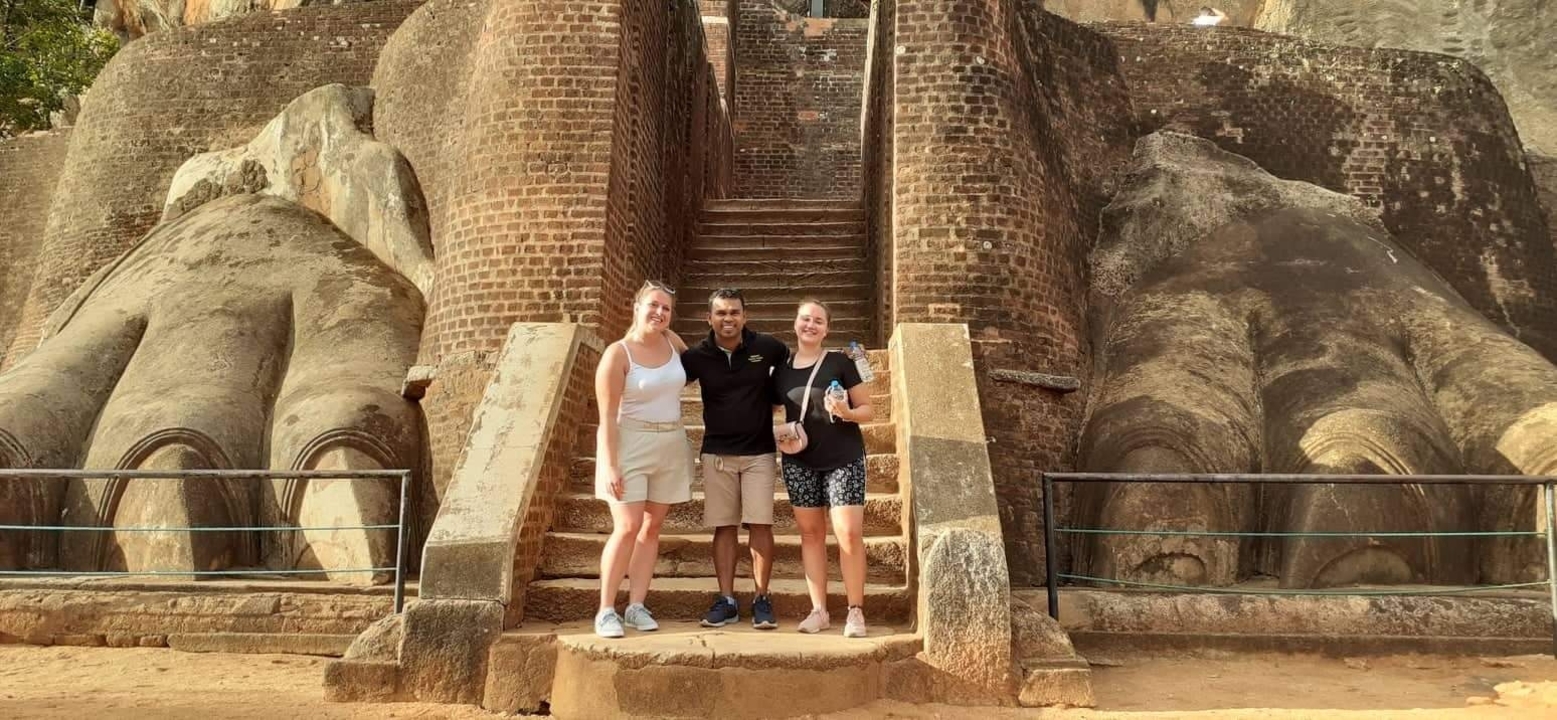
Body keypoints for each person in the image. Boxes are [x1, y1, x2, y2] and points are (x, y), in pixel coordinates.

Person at [681, 289, 791, 629]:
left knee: (760, 524)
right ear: (708, 317)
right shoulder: (697, 356)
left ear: (745, 316)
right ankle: (727, 599)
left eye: (734, 313)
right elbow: (669, 376)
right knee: (724, 526)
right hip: (717, 453)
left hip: (759, 452)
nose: (727, 319)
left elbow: (789, 371)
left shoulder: (767, 347)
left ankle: (761, 597)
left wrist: (777, 404)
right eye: (721, 313)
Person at [593, 280, 693, 638]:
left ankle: (636, 605)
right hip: (629, 441)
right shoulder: (618, 354)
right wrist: (611, 464)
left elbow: (703, 367)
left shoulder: (673, 343)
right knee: (627, 526)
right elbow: (606, 417)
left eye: (665, 308)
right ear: (636, 307)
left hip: (669, 442)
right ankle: (606, 609)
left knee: (651, 529)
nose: (659, 313)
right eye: (653, 305)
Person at [772, 299, 874, 637]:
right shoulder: (782, 369)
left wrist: (846, 412)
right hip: (799, 460)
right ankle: (819, 610)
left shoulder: (840, 363)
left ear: (827, 328)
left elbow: (868, 410)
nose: (810, 325)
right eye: (805, 319)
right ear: (795, 324)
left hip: (843, 457)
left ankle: (855, 611)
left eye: (818, 321)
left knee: (848, 533)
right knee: (811, 534)